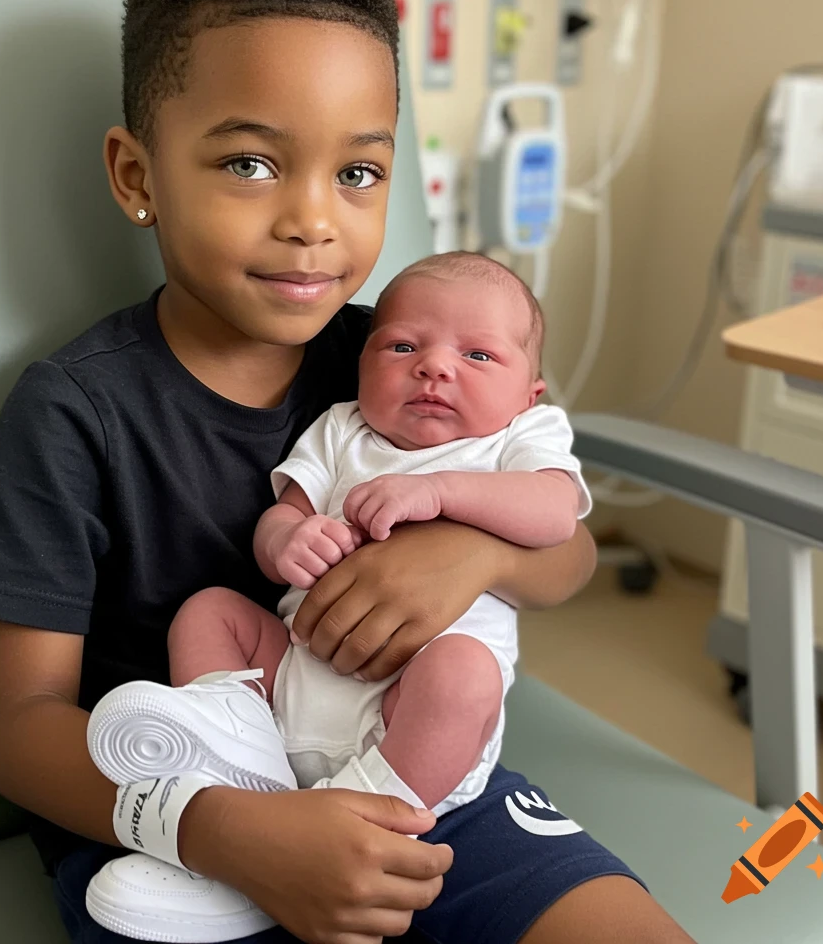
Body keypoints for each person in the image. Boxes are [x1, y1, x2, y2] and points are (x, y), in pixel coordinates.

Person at [0, 0, 695, 942]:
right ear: (136, 177)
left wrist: (463, 554)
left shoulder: (392, 361)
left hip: (417, 774)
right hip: (175, 824)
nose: (313, 220)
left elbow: (568, 555)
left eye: (358, 173)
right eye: (250, 164)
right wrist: (226, 835)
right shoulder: (73, 412)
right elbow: (16, 730)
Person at [82, 251, 593, 941]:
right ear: (362, 364)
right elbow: (282, 514)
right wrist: (286, 541)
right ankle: (238, 764)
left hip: (411, 725)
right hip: (291, 680)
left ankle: (360, 821)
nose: (435, 367)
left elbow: (557, 515)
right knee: (210, 613)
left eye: (478, 356)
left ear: (529, 393)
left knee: (464, 672)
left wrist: (440, 493)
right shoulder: (342, 427)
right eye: (403, 346)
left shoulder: (518, 441)